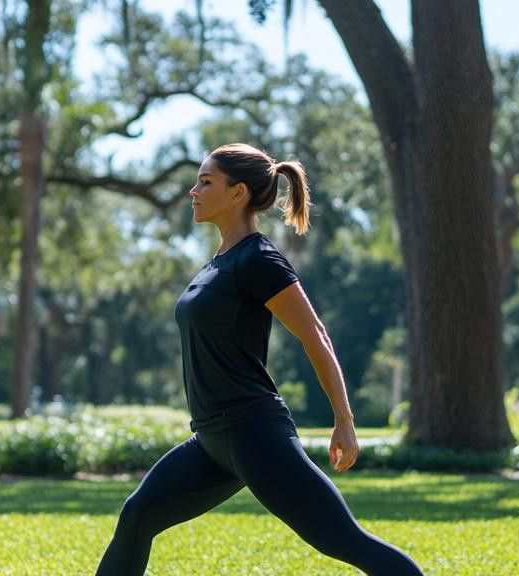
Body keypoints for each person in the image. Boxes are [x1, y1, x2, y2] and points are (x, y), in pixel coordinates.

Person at [95, 143, 423, 575]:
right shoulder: (218, 263)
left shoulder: (258, 259)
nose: (193, 191)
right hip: (211, 440)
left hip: (254, 435)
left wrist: (344, 419)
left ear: (238, 193)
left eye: (206, 181)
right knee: (136, 517)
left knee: (345, 541)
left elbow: (315, 335)